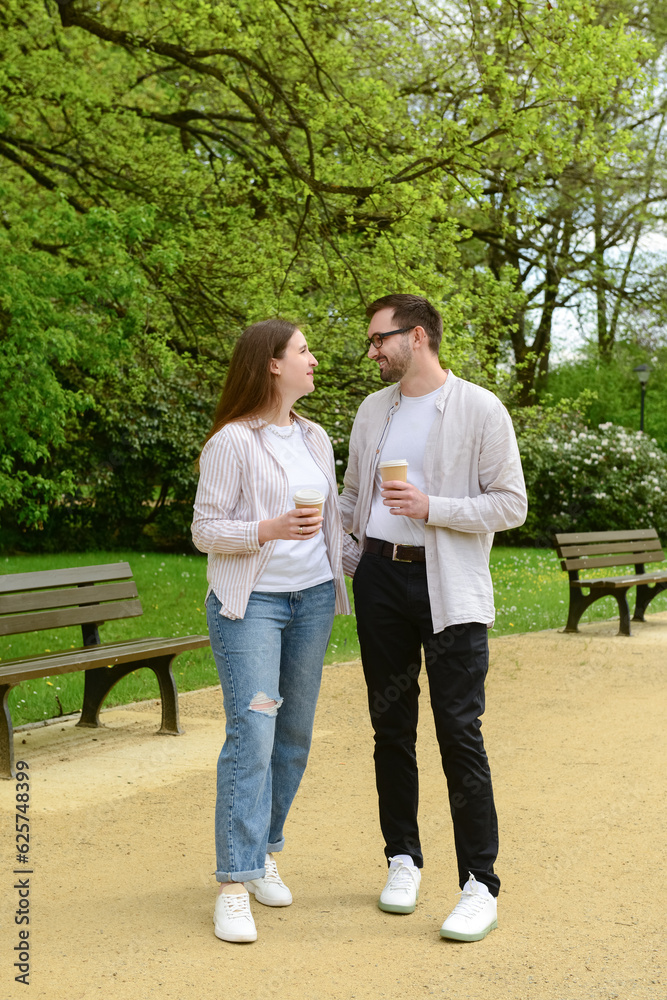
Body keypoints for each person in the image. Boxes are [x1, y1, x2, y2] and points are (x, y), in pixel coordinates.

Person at [338, 293, 527, 941]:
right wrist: (345, 557)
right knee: (389, 726)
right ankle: (402, 858)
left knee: (457, 730)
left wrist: (431, 506)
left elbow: (509, 505)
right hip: (381, 580)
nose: (371, 352)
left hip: (448, 583)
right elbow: (352, 497)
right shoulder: (372, 411)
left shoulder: (478, 408)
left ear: (415, 337)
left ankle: (479, 882)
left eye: (377, 340)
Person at [192, 318, 357, 944]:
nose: (314, 360)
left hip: (312, 601)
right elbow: (206, 531)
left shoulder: (315, 437)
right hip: (253, 607)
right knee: (255, 731)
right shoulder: (232, 442)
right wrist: (268, 529)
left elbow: (332, 531)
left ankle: (262, 850)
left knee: (293, 733)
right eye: (304, 351)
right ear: (272, 364)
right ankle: (233, 882)